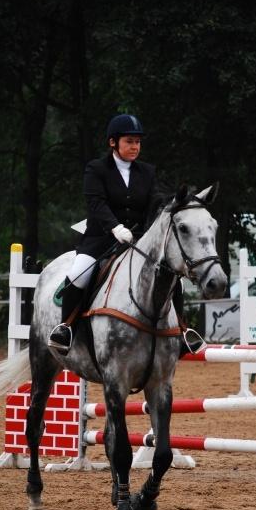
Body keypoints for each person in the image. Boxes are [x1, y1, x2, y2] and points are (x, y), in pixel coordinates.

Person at [48, 113, 160, 354]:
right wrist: (115, 227)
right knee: (78, 274)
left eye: (138, 142)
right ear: (113, 142)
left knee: (171, 275)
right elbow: (96, 203)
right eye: (129, 141)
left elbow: (154, 203)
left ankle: (183, 329)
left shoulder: (147, 172)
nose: (135, 147)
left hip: (138, 241)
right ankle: (65, 328)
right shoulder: (96, 169)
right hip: (101, 239)